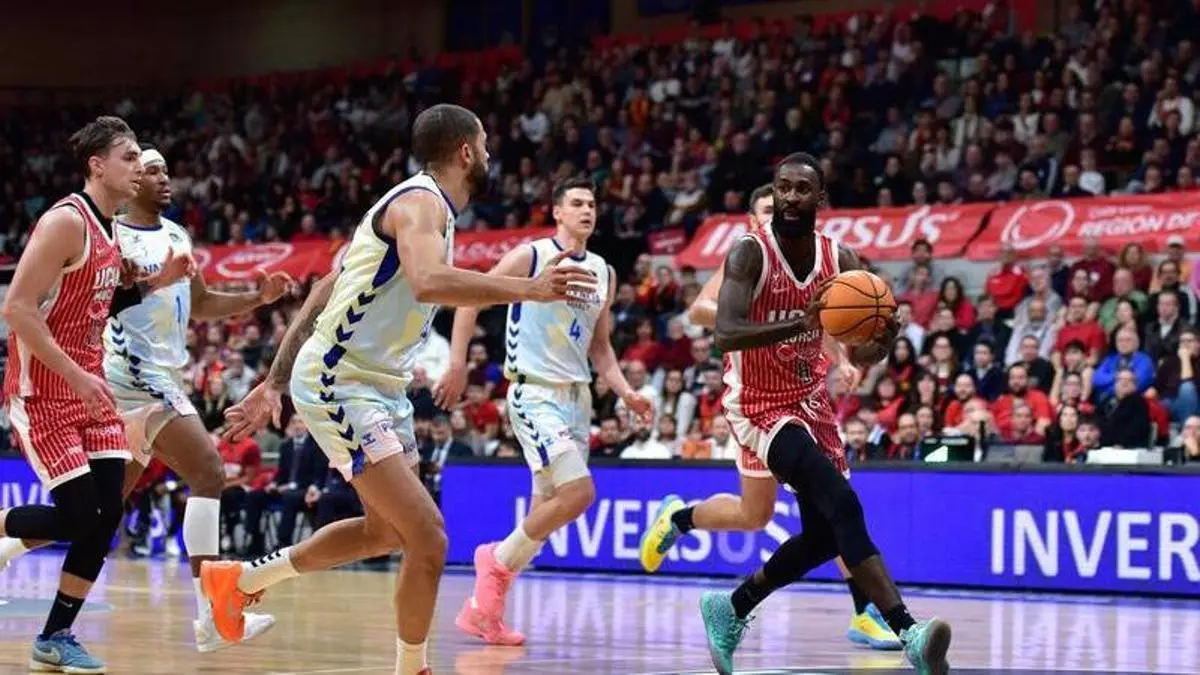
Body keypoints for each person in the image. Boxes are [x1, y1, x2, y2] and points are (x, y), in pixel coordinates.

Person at [200, 104, 596, 675]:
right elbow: (428, 282)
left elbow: (325, 291)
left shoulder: (425, 214)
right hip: (340, 380)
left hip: (380, 386)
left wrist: (274, 381)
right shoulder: (419, 204)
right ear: (466, 151)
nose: (490, 154)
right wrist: (530, 289)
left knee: (386, 531)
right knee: (429, 537)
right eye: (485, 144)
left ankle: (238, 581)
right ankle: (412, 668)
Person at [0, 147, 291, 651]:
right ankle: (213, 614)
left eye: (163, 170)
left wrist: (256, 299)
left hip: (160, 376)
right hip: (124, 377)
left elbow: (201, 304)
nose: (161, 178)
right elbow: (86, 304)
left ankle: (6, 550)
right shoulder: (108, 233)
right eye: (149, 169)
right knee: (208, 471)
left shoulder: (177, 235)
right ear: (129, 180)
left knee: (99, 513)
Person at [691, 154, 951, 675]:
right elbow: (726, 333)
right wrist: (800, 323)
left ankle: (732, 606)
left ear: (820, 198)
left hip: (811, 402)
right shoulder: (749, 252)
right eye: (782, 188)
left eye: (801, 189)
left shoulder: (842, 259)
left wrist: (882, 336)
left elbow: (864, 351)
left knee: (825, 535)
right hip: (759, 403)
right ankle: (910, 633)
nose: (790, 197)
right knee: (843, 504)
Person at [642, 182, 901, 651]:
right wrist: (766, 318)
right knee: (754, 515)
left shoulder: (815, 259)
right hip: (757, 400)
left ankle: (865, 611)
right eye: (767, 209)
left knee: (831, 504)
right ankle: (681, 518)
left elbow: (824, 319)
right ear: (753, 218)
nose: (778, 214)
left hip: (802, 399)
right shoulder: (746, 258)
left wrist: (843, 354)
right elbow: (700, 312)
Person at [433, 177, 654, 645]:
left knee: (543, 516)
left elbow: (600, 347)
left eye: (592, 203)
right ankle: (492, 560)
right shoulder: (530, 256)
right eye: (576, 203)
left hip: (577, 399)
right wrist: (456, 363)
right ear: (557, 212)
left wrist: (626, 393)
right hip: (534, 393)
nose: (587, 210)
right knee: (579, 493)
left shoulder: (604, 270)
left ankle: (484, 613)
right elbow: (470, 301)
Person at [0, 116, 170, 672]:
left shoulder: (110, 229)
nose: (139, 166)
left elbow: (100, 305)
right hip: (44, 393)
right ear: (97, 166)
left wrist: (158, 281)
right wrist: (75, 374)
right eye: (128, 157)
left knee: (105, 514)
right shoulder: (65, 222)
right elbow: (16, 308)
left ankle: (55, 636)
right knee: (77, 516)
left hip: (89, 392)